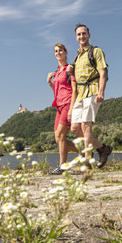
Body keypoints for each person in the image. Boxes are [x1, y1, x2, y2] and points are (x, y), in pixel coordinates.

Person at [69, 24, 113, 169]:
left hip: (93, 91)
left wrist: (101, 91)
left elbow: (103, 72)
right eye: (79, 35)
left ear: (89, 34)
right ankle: (102, 149)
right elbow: (76, 79)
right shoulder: (77, 57)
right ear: (76, 37)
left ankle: (87, 161)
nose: (82, 37)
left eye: (84, 33)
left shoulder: (96, 51)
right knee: (75, 128)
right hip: (80, 95)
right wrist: (71, 71)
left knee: (86, 125)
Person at [46, 43, 79, 175]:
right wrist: (50, 83)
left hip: (68, 103)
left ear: (65, 52)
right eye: (56, 51)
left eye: (60, 50)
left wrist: (71, 109)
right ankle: (85, 151)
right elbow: (57, 91)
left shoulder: (69, 69)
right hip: (59, 106)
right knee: (58, 138)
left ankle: (62, 165)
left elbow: (74, 89)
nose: (58, 53)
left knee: (61, 135)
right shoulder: (57, 72)